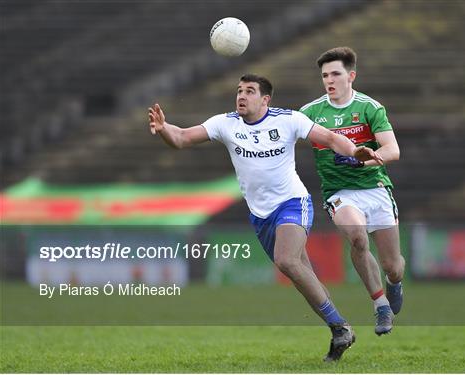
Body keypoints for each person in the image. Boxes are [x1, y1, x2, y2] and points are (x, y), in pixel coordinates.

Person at [148, 74, 383, 361]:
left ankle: (341, 329)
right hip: (260, 215)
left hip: (293, 203)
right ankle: (338, 330)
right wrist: (163, 129)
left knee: (287, 261)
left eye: (249, 91)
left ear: (265, 99)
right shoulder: (225, 123)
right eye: (239, 91)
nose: (241, 96)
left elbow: (330, 137)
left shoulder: (288, 120)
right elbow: (182, 137)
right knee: (303, 276)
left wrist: (354, 151)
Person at [300, 47, 405, 336]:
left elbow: (392, 150)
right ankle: (380, 304)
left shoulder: (370, 107)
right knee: (357, 237)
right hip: (339, 192)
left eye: (335, 74)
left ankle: (394, 283)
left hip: (375, 188)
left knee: (393, 265)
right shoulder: (310, 112)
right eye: (324, 75)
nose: (329, 80)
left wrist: (365, 157)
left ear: (351, 76)